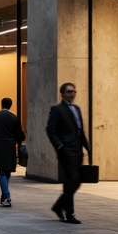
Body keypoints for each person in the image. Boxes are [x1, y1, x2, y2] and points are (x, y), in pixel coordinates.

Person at [46, 82, 90, 224]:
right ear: (62, 94)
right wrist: (60, 146)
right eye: (69, 92)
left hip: (77, 149)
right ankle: (69, 213)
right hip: (66, 150)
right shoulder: (57, 109)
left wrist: (87, 147)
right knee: (72, 179)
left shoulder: (76, 108)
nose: (73, 94)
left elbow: (79, 130)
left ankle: (59, 206)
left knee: (76, 181)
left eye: (74, 91)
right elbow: (50, 130)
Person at [0, 97, 25, 207]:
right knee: (7, 171)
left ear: (1, 104)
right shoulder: (14, 118)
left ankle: (6, 196)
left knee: (1, 171)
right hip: (10, 147)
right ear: (10, 105)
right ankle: (4, 196)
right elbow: (20, 135)